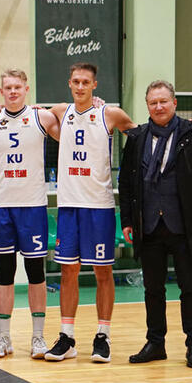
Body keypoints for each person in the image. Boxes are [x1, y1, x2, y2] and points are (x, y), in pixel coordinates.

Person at [119, 80, 192, 368]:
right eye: (153, 102)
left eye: (163, 101)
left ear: (174, 103)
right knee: (153, 289)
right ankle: (155, 343)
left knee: (190, 287)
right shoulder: (137, 138)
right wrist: (128, 220)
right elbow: (126, 183)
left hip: (185, 226)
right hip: (149, 226)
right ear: (147, 106)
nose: (159, 106)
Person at [44, 63, 135, 363]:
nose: (80, 86)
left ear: (95, 85)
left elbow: (142, 134)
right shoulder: (61, 111)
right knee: (68, 271)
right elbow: (26, 111)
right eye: (76, 81)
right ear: (69, 83)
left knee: (102, 271)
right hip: (69, 205)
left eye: (86, 82)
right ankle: (67, 337)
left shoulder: (110, 114)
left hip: (99, 206)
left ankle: (102, 336)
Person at [0, 69, 60, 359]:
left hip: (32, 206)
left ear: (27, 89)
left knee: (35, 271)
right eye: (8, 88)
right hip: (2, 205)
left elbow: (72, 123)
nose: (13, 91)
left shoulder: (42, 117)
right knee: (5, 272)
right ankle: (4, 338)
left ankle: (38, 337)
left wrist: (96, 104)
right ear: (1, 91)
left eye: (18, 87)